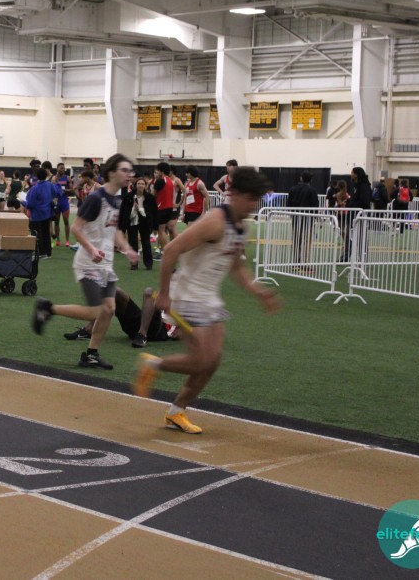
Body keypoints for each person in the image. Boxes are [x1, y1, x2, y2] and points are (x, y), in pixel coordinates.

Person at [133, 166, 280, 434]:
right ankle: (152, 364)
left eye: (257, 200)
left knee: (212, 362)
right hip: (186, 296)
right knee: (201, 360)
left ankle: (176, 413)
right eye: (251, 199)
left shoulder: (241, 227)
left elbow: (236, 267)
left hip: (209, 299)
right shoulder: (215, 221)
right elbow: (171, 250)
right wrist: (164, 293)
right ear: (235, 194)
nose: (253, 205)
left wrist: (259, 291)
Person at [32, 154, 139, 369]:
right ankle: (48, 308)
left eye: (131, 171)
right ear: (112, 173)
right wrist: (91, 249)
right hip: (89, 262)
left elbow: (115, 230)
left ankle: (91, 354)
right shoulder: (96, 198)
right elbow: (76, 228)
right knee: (96, 311)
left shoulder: (117, 199)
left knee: (109, 309)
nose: (130, 175)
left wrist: (127, 249)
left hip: (105, 263)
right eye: (125, 170)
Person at [63, 286, 180, 347]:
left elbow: (188, 327)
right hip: (142, 321)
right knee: (114, 291)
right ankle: (89, 330)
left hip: (159, 331)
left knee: (149, 292)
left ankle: (142, 336)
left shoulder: (187, 300)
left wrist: (180, 331)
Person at [23, 167, 60, 258]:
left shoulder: (35, 188)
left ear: (36, 176)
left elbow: (30, 205)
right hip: (47, 213)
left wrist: (23, 202)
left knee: (37, 234)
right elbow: (57, 193)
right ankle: (48, 253)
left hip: (37, 215)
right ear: (46, 175)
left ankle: (41, 253)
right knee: (46, 233)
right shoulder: (50, 185)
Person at [121, 177, 156, 271]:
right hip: (132, 221)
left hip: (145, 221)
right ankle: (134, 264)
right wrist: (122, 225)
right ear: (135, 185)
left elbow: (153, 212)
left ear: (145, 186)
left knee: (146, 243)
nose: (140, 185)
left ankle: (148, 264)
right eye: (139, 183)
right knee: (132, 243)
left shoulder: (150, 197)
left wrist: (154, 225)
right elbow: (123, 211)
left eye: (142, 184)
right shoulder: (128, 196)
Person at [287, 171, 319, 265]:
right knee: (307, 240)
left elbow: (289, 205)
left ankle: (296, 260)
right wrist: (315, 217)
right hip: (308, 219)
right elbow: (315, 206)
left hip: (296, 218)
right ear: (311, 180)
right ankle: (305, 261)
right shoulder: (312, 190)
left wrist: (292, 215)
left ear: (301, 178)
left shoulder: (293, 189)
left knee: (297, 239)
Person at [52, 162, 72, 247]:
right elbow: (52, 190)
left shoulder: (67, 178)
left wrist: (63, 190)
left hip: (64, 201)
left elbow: (71, 190)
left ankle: (67, 240)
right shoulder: (54, 178)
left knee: (66, 221)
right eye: (61, 168)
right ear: (57, 168)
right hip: (56, 201)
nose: (63, 169)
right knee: (56, 222)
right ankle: (58, 240)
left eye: (64, 168)